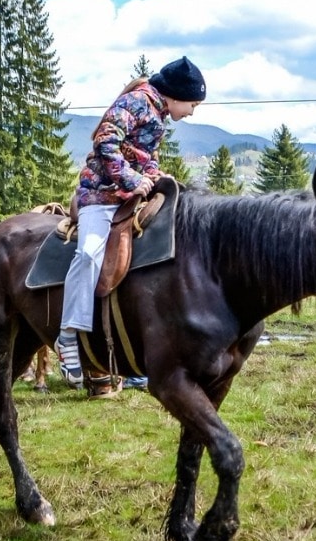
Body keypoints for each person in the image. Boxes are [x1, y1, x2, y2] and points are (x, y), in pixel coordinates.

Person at [55, 56, 206, 388]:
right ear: (177, 94)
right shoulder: (136, 101)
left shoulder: (158, 116)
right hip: (101, 195)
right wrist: (129, 179)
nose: (192, 112)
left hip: (129, 197)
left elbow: (145, 158)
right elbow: (105, 141)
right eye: (192, 104)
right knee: (90, 254)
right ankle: (68, 334)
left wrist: (156, 175)